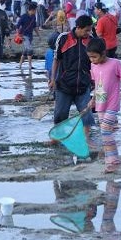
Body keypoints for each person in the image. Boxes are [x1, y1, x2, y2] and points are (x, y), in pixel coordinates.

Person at [87, 38, 121, 173]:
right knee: (106, 133)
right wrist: (93, 100)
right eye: (90, 57)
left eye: (94, 57)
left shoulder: (115, 64)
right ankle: (112, 160)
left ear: (103, 53)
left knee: (106, 131)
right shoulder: (93, 66)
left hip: (112, 104)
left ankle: (113, 162)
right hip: (100, 104)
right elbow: (98, 84)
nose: (92, 60)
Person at [49, 14, 95, 145]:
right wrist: (52, 79)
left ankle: (86, 138)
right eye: (86, 30)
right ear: (78, 28)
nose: (89, 33)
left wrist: (94, 81)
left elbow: (95, 62)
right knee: (60, 114)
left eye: (90, 30)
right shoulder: (63, 38)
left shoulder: (91, 40)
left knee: (86, 114)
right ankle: (56, 138)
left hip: (83, 84)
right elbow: (56, 60)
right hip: (64, 85)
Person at [16, 2, 39, 69]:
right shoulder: (23, 16)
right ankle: (30, 66)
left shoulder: (33, 17)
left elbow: (34, 27)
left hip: (30, 36)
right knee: (30, 50)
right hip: (24, 36)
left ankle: (19, 65)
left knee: (25, 51)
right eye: (35, 10)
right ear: (32, 10)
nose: (35, 11)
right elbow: (17, 26)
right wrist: (18, 35)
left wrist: (38, 35)